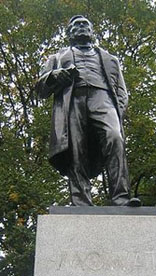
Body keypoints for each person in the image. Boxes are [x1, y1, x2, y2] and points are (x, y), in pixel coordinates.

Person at [36, 15, 141, 207]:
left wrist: (117, 112)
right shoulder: (57, 58)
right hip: (72, 101)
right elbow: (41, 88)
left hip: (103, 99)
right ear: (69, 33)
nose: (81, 27)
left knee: (115, 137)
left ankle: (121, 198)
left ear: (92, 31)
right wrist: (56, 75)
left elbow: (121, 92)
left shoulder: (110, 59)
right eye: (76, 25)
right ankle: (81, 202)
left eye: (85, 24)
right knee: (76, 149)